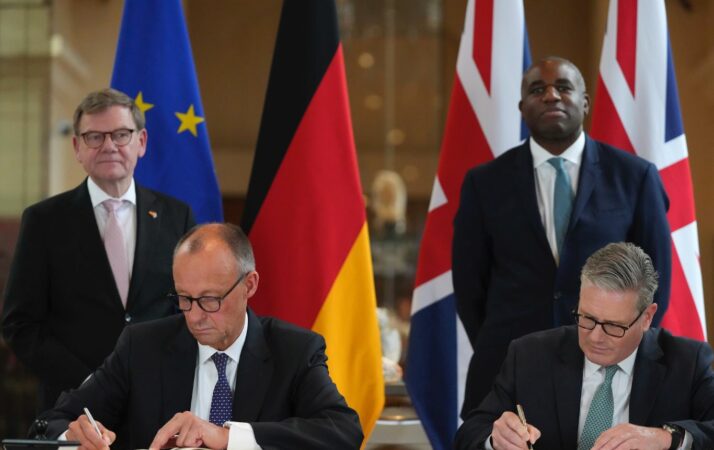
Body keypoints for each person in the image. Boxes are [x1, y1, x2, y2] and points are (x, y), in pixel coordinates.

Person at [452, 56, 672, 414]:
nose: (551, 95)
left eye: (564, 87)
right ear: (522, 108)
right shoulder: (484, 182)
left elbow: (657, 279)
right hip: (506, 369)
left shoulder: (635, 177)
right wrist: (510, 345)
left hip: (609, 371)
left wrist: (621, 348)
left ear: (584, 102)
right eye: (537, 89)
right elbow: (468, 287)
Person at [37, 223, 363, 450]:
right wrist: (74, 438)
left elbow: (343, 432)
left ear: (249, 285)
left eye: (210, 299)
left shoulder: (293, 350)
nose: (194, 316)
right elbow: (52, 423)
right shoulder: (142, 346)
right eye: (184, 298)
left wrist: (226, 437)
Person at [1, 88, 195, 411]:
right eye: (94, 137)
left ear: (141, 142)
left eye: (121, 134)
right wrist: (90, 382)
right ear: (77, 147)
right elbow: (19, 324)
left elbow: (190, 308)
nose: (109, 146)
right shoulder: (43, 221)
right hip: (73, 404)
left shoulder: (178, 217)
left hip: (158, 401)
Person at [455, 242, 714, 450]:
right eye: (587, 318)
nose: (595, 337)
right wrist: (495, 439)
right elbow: (470, 432)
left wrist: (666, 439)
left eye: (613, 326)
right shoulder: (530, 355)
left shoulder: (687, 362)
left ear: (647, 317)